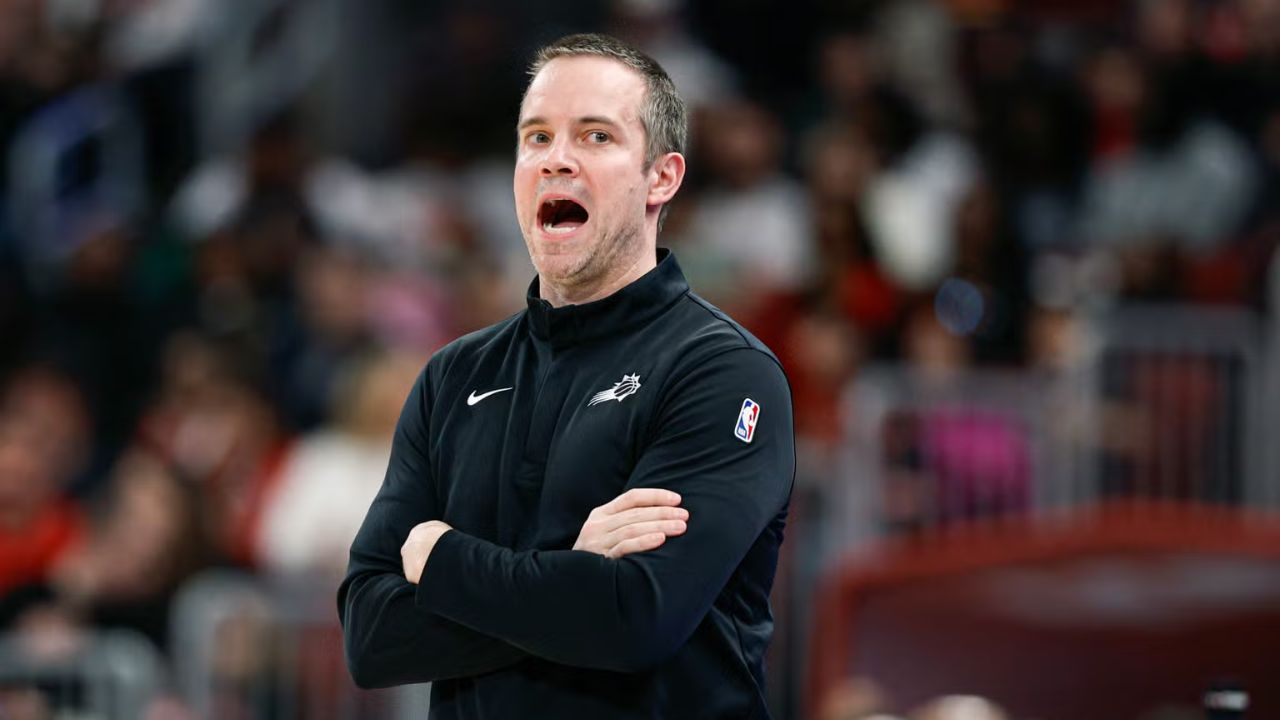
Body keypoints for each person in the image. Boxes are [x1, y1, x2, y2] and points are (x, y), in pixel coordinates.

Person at [338, 33, 795, 719]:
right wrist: (570, 566)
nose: (556, 160)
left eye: (595, 137)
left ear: (661, 178)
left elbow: (635, 617)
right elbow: (371, 637)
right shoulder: (451, 375)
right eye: (537, 137)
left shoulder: (724, 373)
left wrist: (443, 562)